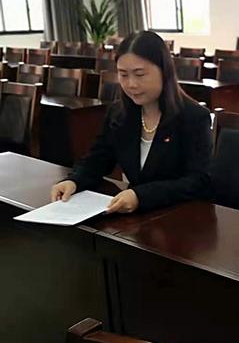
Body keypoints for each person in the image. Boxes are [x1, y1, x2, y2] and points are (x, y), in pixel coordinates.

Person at [50, 31, 212, 214]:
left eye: (140, 74)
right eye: (123, 75)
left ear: (164, 71)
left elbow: (198, 181)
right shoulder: (119, 113)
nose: (131, 84)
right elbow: (97, 159)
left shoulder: (194, 117)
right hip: (136, 217)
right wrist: (73, 181)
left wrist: (141, 196)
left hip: (180, 216)